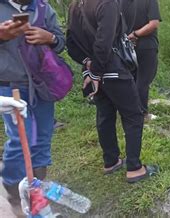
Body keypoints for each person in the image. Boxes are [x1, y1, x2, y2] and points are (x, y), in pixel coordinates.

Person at [66, 0, 157, 184]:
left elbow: (71, 43)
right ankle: (134, 168)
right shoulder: (107, 3)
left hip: (96, 71)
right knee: (133, 115)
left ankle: (111, 161)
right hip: (113, 70)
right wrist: (97, 72)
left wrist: (89, 66)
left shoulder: (75, 6)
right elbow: (104, 41)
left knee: (105, 115)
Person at [0, 0, 65, 215]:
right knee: (21, 139)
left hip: (41, 84)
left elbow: (62, 42)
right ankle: (11, 187)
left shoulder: (44, 8)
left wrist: (51, 38)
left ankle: (34, 193)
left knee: (43, 140)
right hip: (9, 85)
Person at [123, 0, 162, 121]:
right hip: (146, 45)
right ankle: (142, 114)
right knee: (143, 80)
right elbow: (153, 23)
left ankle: (129, 111)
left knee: (131, 79)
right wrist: (136, 34)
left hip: (126, 46)